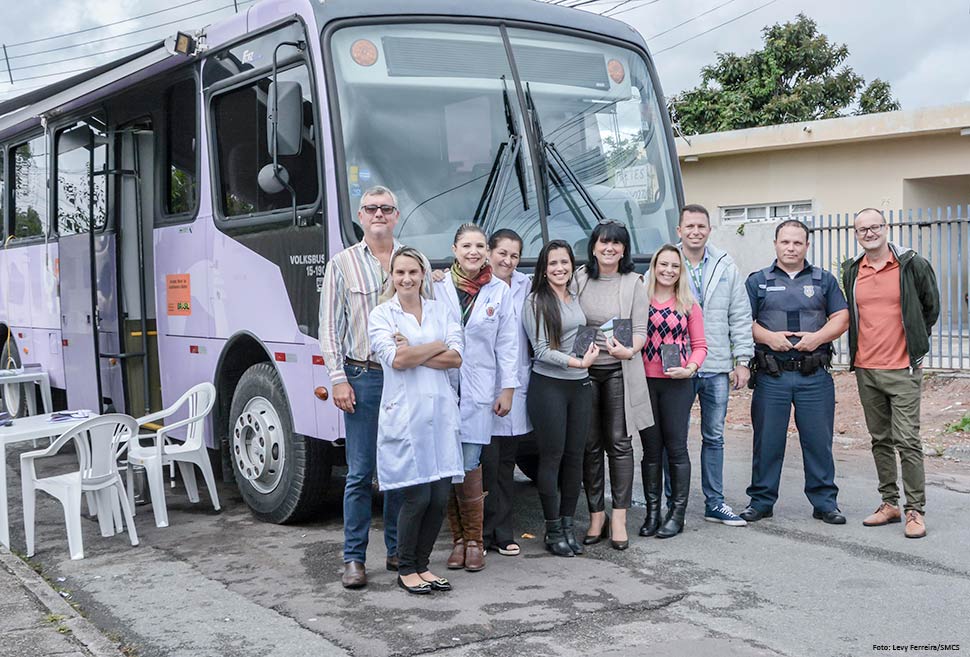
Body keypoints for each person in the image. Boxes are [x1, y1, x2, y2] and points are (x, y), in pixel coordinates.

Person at [319, 186, 431, 589]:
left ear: (396, 215)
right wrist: (338, 379)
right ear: (361, 216)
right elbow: (329, 328)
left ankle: (398, 552)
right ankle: (354, 559)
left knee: (400, 469)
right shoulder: (342, 264)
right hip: (363, 378)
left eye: (386, 208)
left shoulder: (413, 261)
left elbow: (429, 316)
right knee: (361, 472)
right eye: (371, 208)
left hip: (405, 377)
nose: (378, 214)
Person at [369, 246, 464, 594]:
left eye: (413, 272)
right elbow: (396, 360)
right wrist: (435, 345)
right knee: (417, 498)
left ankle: (423, 566)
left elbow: (455, 358)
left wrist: (417, 349)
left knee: (439, 497)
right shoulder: (382, 315)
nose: (406, 279)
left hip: (440, 415)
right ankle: (405, 567)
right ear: (391, 278)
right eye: (400, 273)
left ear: (423, 275)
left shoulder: (441, 310)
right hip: (406, 417)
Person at [741, 220, 849, 525]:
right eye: (785, 242)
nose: (791, 248)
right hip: (771, 376)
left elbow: (841, 317)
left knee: (818, 442)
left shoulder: (823, 280)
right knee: (768, 441)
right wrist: (767, 337)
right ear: (775, 244)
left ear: (806, 246)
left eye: (797, 243)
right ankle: (761, 501)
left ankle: (825, 503)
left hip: (813, 376)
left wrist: (817, 338)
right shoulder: (758, 281)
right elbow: (742, 320)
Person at [842, 208, 939, 539]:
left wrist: (916, 344)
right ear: (856, 234)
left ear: (886, 228)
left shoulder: (911, 265)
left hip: (902, 368)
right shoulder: (853, 271)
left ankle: (915, 510)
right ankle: (889, 503)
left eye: (874, 227)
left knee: (907, 439)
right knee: (880, 439)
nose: (869, 233)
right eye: (862, 229)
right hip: (866, 368)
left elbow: (930, 307)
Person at [434, 224, 519, 572]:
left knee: (470, 463)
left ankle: (474, 542)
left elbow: (508, 344)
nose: (473, 251)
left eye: (479, 246)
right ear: (454, 249)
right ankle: (457, 541)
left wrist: (508, 389)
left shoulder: (499, 291)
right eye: (466, 245)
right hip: (441, 386)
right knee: (447, 467)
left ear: (487, 251)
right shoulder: (436, 287)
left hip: (480, 389)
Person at [575, 221, 653, 550]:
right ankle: (596, 515)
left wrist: (631, 349)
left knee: (619, 444)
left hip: (620, 368)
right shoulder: (579, 277)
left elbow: (640, 328)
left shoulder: (634, 282)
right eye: (604, 243)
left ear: (624, 250)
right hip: (585, 369)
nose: (609, 248)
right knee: (589, 445)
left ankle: (619, 516)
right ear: (593, 247)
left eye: (616, 244)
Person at [676, 204, 754, 527]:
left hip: (717, 365)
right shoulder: (666, 263)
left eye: (701, 226)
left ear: (709, 230)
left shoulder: (726, 266)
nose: (695, 231)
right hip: (677, 366)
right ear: (679, 231)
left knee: (714, 436)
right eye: (689, 226)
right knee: (675, 438)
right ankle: (673, 501)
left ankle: (715, 502)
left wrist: (743, 360)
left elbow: (740, 314)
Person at [523, 240, 599, 557]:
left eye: (564, 262)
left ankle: (569, 526)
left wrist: (589, 349)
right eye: (553, 263)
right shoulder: (536, 301)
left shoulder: (574, 297)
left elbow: (579, 333)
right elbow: (541, 350)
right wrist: (577, 362)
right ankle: (553, 529)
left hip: (579, 386)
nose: (559, 268)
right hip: (549, 386)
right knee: (552, 456)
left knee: (575, 457)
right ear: (544, 268)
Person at [640, 244, 707, 539]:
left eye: (675, 266)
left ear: (681, 272)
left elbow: (701, 346)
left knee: (676, 448)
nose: (668, 270)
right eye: (663, 264)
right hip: (644, 382)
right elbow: (624, 335)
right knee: (651, 450)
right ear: (654, 267)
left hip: (677, 383)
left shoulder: (689, 304)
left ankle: (676, 513)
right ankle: (652, 512)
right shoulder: (639, 300)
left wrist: (690, 369)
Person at [482, 229, 531, 558]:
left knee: (506, 463)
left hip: (516, 383)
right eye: (502, 253)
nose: (508, 261)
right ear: (489, 252)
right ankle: (480, 534)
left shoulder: (526, 285)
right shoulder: (478, 286)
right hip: (485, 383)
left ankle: (503, 531)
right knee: (486, 462)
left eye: (514, 255)